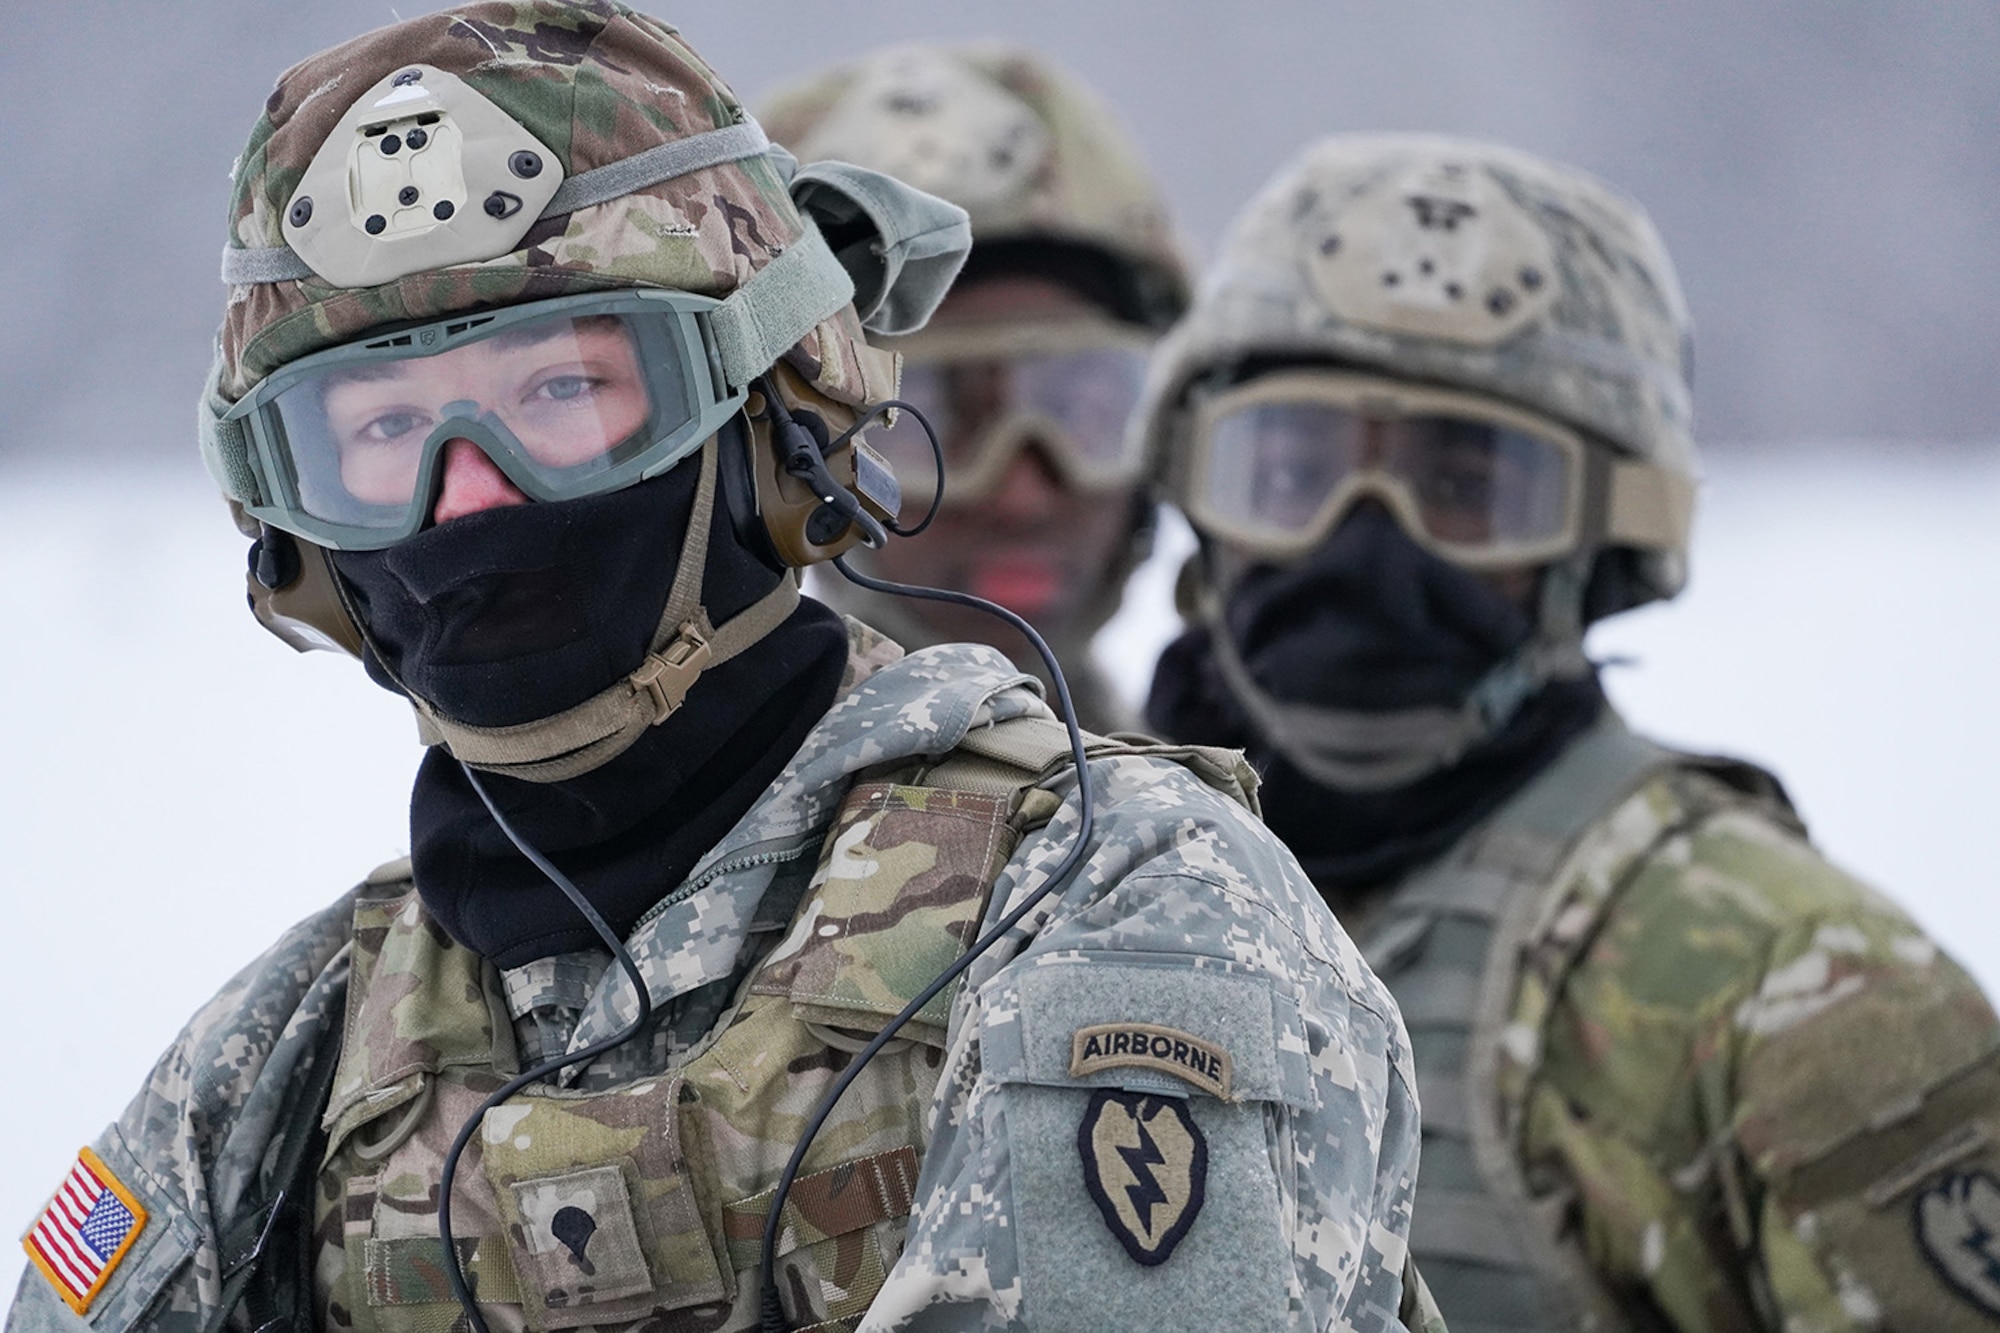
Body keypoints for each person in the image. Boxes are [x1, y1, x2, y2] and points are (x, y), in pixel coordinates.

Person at [7, 11, 1443, 1333]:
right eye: (379, 436)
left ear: (769, 423)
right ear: (299, 537)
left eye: (561, 394)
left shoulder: (1117, 901)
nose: (466, 502)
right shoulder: (303, 1044)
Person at [1136, 133, 2000, 1331]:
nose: (1361, 547)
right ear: (1190, 487)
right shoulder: (1045, 876)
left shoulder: (1799, 996)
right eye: (1291, 468)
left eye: (1467, 486)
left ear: (1600, 548)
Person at [758, 44, 1192, 733]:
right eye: (929, 413)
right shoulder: (694, 831)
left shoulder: (1219, 823)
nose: (1021, 497)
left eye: (1085, 408)